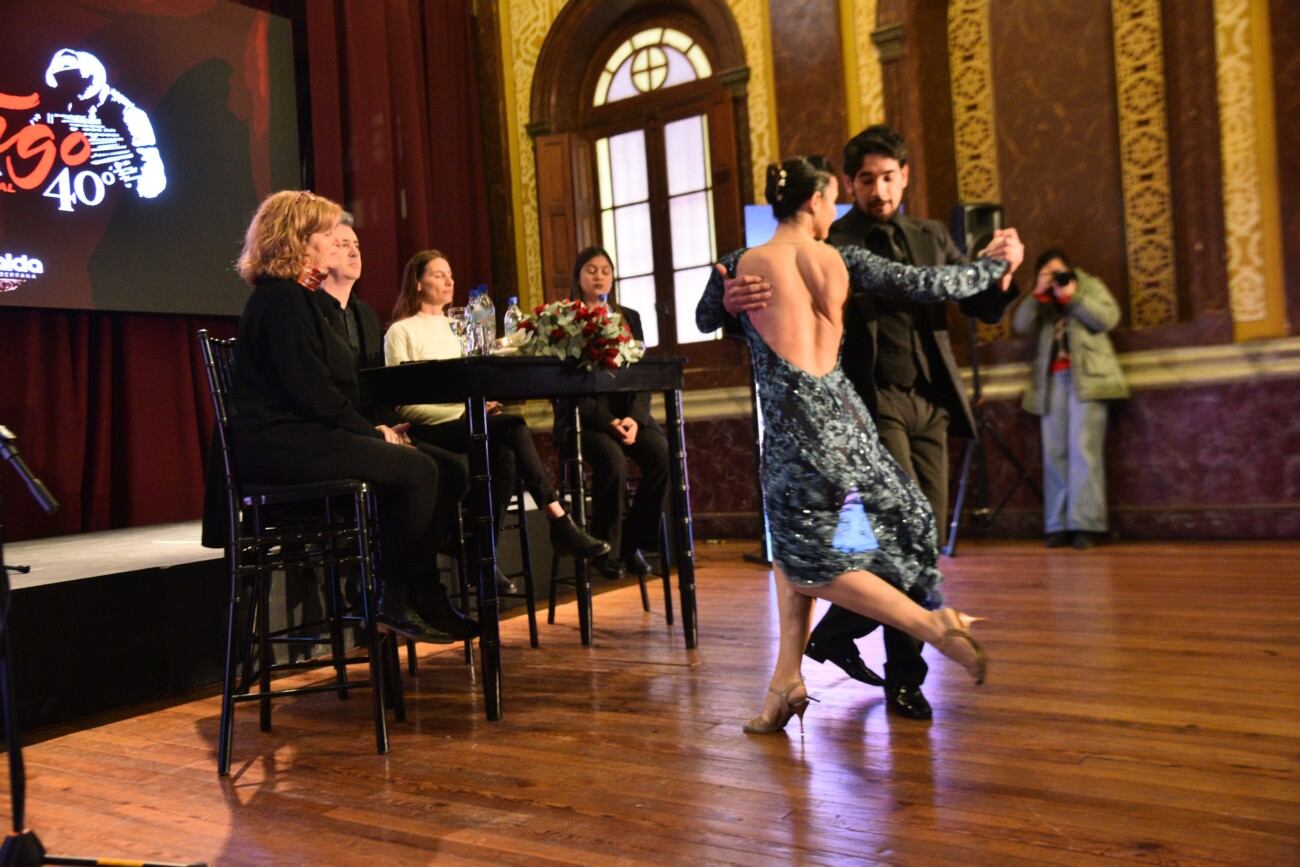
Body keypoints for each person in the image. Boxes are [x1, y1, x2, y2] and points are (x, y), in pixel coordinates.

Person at [706, 124, 1023, 721]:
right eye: (840, 193)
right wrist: (991, 264)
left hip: (804, 425)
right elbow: (932, 285)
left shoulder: (739, 262)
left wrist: (725, 303)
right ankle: (786, 683)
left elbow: (705, 314)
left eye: (885, 178)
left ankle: (929, 625)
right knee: (811, 550)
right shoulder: (842, 252)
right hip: (857, 418)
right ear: (819, 198)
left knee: (808, 556)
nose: (850, 202)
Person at [222, 190, 478, 644]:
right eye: (326, 234)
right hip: (280, 446)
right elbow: (312, 393)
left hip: (305, 436)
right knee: (418, 469)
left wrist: (375, 427)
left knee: (443, 468)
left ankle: (412, 591)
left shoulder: (296, 300)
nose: (336, 243)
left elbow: (330, 389)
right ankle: (394, 597)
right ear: (298, 239)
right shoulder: (280, 300)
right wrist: (372, 432)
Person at [384, 250, 611, 567]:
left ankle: (485, 556)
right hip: (431, 429)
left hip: (468, 420)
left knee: (504, 455)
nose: (449, 281)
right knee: (514, 425)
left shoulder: (460, 327)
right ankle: (559, 521)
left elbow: (472, 382)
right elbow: (403, 403)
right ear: (418, 283)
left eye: (450, 274)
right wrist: (465, 411)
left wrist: (480, 405)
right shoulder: (401, 331)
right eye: (438, 275)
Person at [313, 214, 473, 569]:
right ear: (319, 253)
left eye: (357, 244)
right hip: (339, 434)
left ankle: (415, 569)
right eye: (342, 244)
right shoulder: (313, 313)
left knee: (454, 470)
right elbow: (323, 391)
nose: (354, 251)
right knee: (424, 470)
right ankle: (399, 579)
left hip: (374, 427)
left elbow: (376, 386)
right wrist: (373, 431)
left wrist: (391, 425)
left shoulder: (366, 315)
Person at [552, 246, 670, 581]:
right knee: (613, 460)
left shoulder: (628, 317)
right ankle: (604, 549)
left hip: (627, 414)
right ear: (578, 276)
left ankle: (632, 544)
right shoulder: (566, 319)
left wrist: (634, 417)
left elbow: (641, 373)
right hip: (583, 418)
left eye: (606, 269)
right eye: (591, 269)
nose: (600, 275)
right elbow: (567, 385)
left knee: (662, 455)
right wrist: (608, 422)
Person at [1012, 249, 1127, 549]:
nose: (1056, 279)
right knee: (1055, 453)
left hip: (1088, 379)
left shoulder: (1089, 286)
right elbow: (1021, 326)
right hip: (1051, 382)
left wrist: (1073, 296)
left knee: (1083, 451)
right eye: (1049, 274)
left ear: (1072, 269)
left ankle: (1085, 525)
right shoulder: (1042, 300)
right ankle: (1057, 524)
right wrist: (1038, 293)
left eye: (1060, 272)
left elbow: (1108, 318)